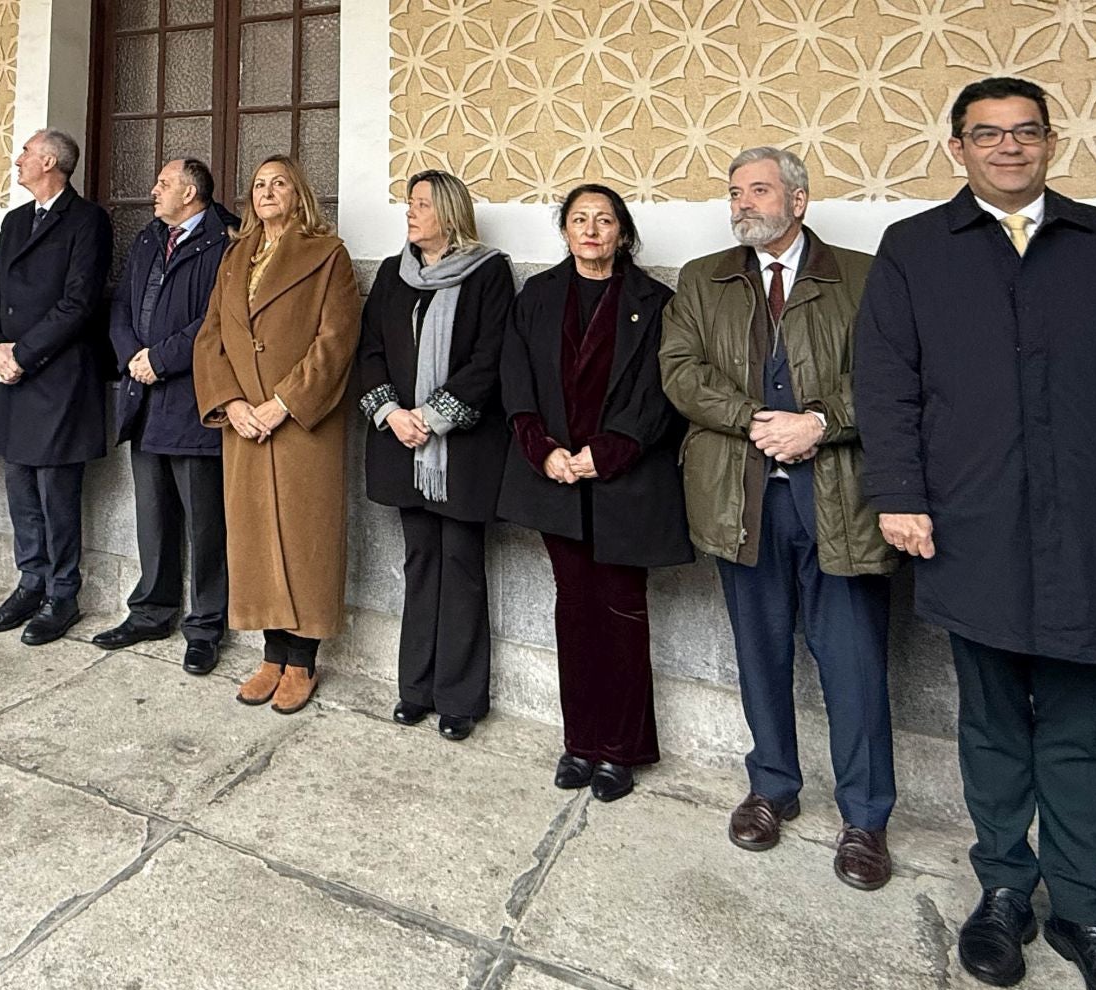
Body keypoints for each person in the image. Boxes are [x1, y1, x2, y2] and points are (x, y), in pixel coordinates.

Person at [853, 77, 1096, 990]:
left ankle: (1087, 916)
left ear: (1052, 142)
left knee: (1077, 732)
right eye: (988, 134)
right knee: (990, 725)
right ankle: (1003, 893)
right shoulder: (915, 250)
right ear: (957, 148)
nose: (1008, 148)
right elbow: (887, 384)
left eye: (1025, 133)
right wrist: (899, 495)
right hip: (971, 526)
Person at [660, 147, 899, 891]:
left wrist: (820, 423)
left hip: (837, 499)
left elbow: (893, 379)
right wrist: (754, 418)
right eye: (735, 192)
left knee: (853, 660)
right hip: (742, 497)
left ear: (799, 199)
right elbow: (680, 369)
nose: (743, 204)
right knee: (758, 651)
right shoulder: (704, 278)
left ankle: (865, 817)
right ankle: (772, 787)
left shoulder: (861, 275)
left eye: (758, 190)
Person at [496, 184, 693, 801]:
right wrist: (543, 449)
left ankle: (622, 750)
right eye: (579, 220)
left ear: (623, 232)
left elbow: (663, 393)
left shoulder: (656, 301)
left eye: (603, 220)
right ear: (565, 232)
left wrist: (604, 453)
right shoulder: (539, 296)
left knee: (622, 611)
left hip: (623, 482)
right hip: (556, 478)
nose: (591, 230)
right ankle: (579, 742)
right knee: (574, 610)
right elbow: (516, 378)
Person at [194, 155, 362, 713]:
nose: (267, 191)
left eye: (280, 183)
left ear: (300, 194)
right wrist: (232, 403)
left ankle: (303, 660)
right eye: (260, 184)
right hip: (242, 424)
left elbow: (335, 341)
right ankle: (270, 655)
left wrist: (283, 404)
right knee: (254, 538)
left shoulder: (327, 254)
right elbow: (211, 335)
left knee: (304, 537)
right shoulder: (234, 254)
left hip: (300, 424)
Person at [353, 169, 514, 740]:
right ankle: (415, 688)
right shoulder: (395, 276)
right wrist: (392, 414)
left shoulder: (489, 272)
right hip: (401, 443)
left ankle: (460, 698)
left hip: (462, 450)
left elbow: (491, 357)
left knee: (463, 566)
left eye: (421, 204)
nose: (410, 213)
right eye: (409, 203)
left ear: (448, 212)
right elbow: (370, 348)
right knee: (420, 562)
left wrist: (435, 416)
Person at [98, 158, 235, 677]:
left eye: (163, 183)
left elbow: (216, 320)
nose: (153, 190)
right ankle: (151, 612)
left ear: (192, 190)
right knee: (152, 518)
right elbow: (123, 306)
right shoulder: (150, 237)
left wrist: (161, 359)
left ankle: (204, 626)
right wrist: (134, 354)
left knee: (205, 522)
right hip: (143, 396)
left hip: (192, 400)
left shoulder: (223, 241)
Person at [0, 129, 113, 645]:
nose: (18, 160)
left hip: (56, 376)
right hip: (11, 373)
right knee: (19, 488)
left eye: (26, 153)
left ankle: (63, 594)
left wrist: (23, 354)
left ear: (50, 161)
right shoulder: (14, 222)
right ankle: (29, 582)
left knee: (57, 492)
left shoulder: (88, 220)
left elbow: (79, 303)